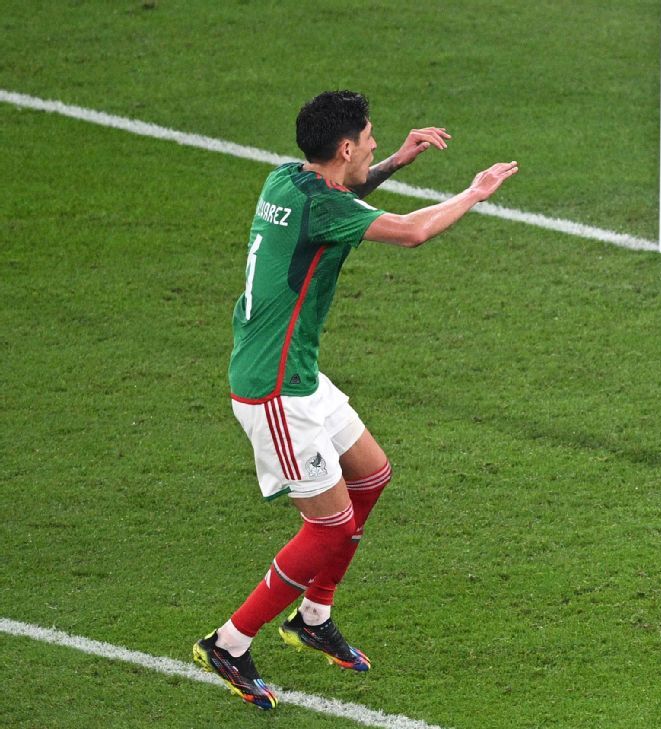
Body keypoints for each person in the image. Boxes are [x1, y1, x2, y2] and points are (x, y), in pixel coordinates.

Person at [192, 90, 518, 709]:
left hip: (298, 373)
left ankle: (313, 617)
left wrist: (394, 162)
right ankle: (229, 643)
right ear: (344, 148)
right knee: (330, 525)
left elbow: (340, 197)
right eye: (369, 140)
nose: (373, 145)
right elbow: (414, 231)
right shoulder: (323, 203)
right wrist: (474, 192)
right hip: (275, 390)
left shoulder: (286, 179)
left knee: (371, 475)